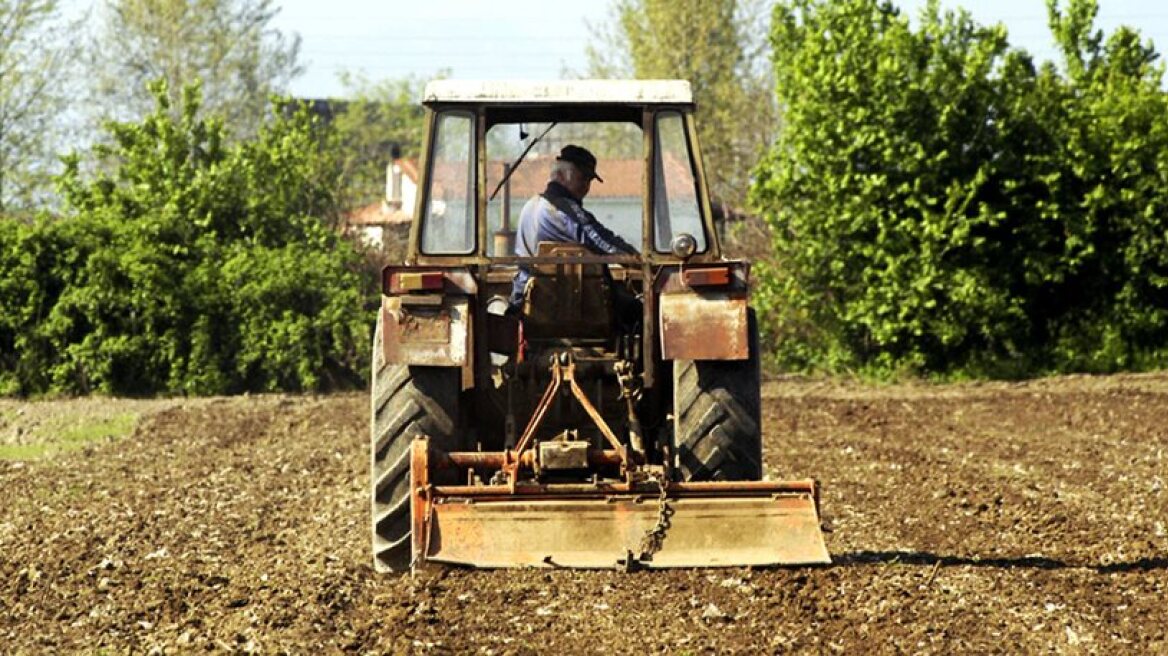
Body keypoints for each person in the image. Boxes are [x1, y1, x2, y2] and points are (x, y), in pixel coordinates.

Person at [508, 145, 639, 312]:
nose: (586, 186)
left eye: (589, 181)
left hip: (526, 298)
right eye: (582, 178)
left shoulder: (531, 205)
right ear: (561, 176)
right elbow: (601, 240)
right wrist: (636, 260)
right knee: (637, 311)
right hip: (563, 301)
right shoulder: (563, 209)